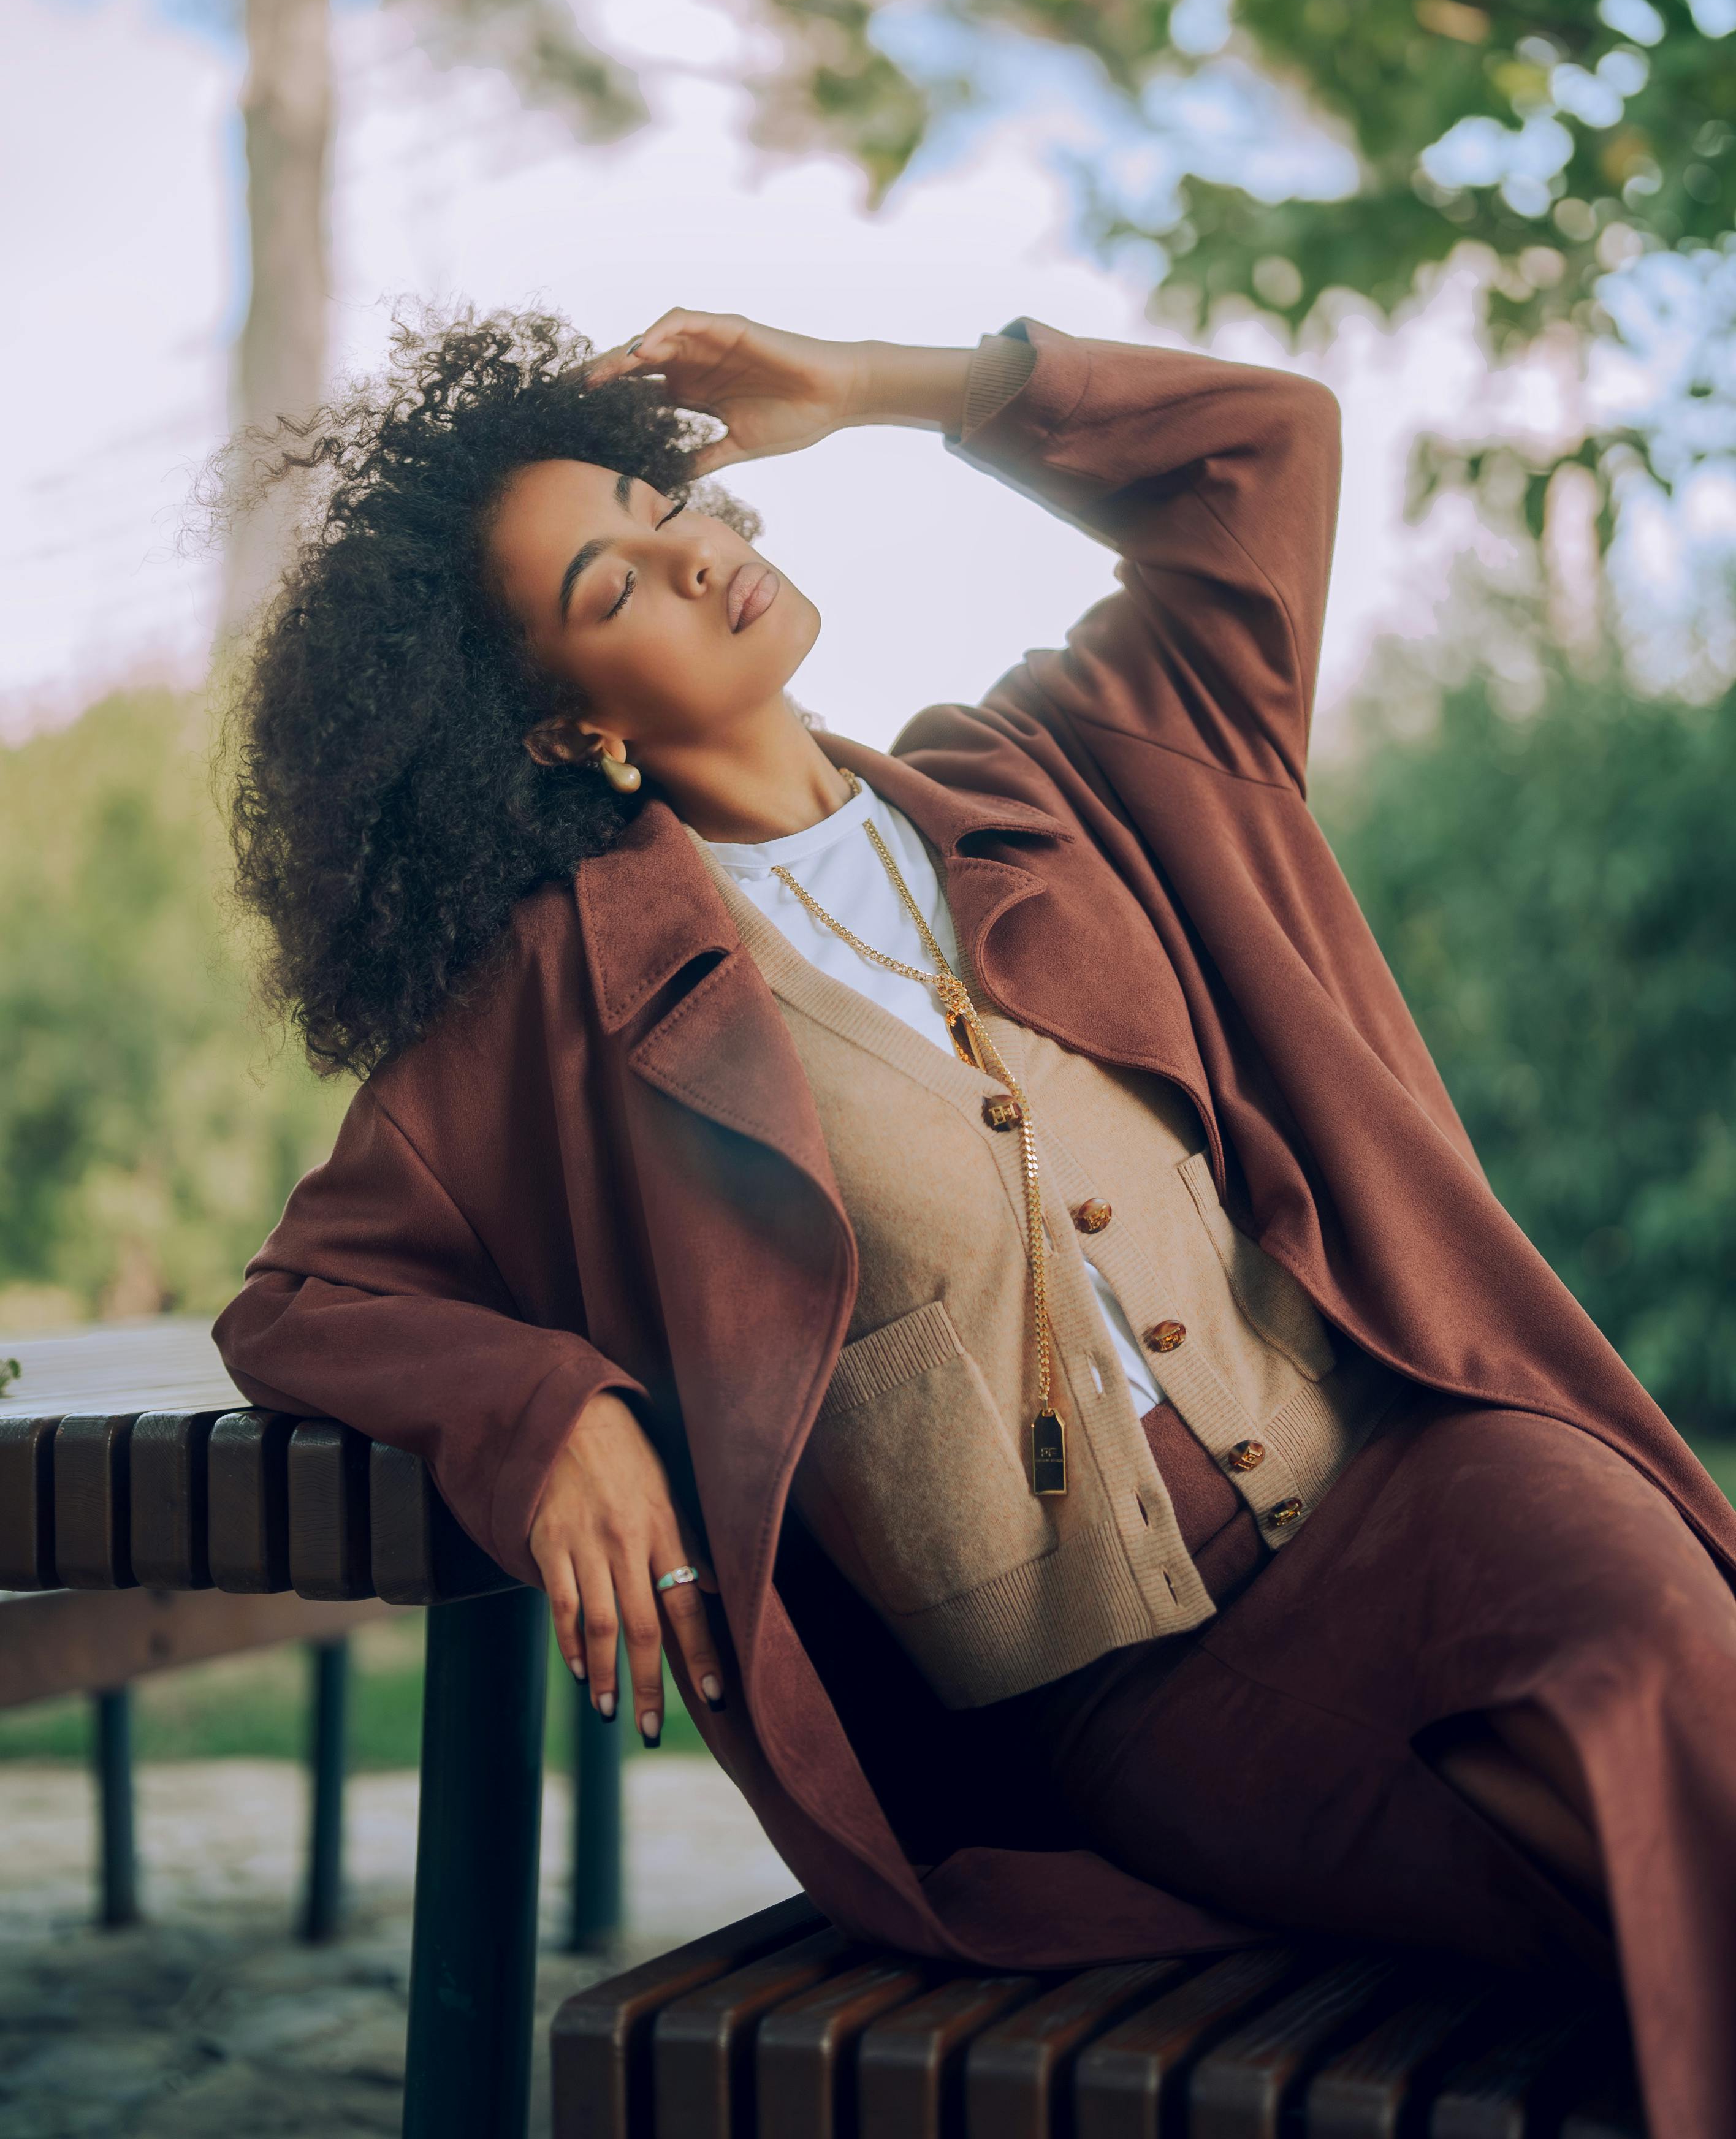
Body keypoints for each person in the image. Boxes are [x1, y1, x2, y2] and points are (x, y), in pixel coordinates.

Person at [216, 305, 1736, 2136]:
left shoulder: (1071, 767)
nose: (697, 554)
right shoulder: (561, 1011)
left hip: (1422, 1483)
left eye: (663, 502)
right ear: (568, 725)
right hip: (1129, 1699)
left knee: (1658, 1677)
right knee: (1574, 1856)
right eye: (617, 589)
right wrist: (548, 1414)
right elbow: (313, 1292)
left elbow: (1263, 450)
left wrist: (877, 389)